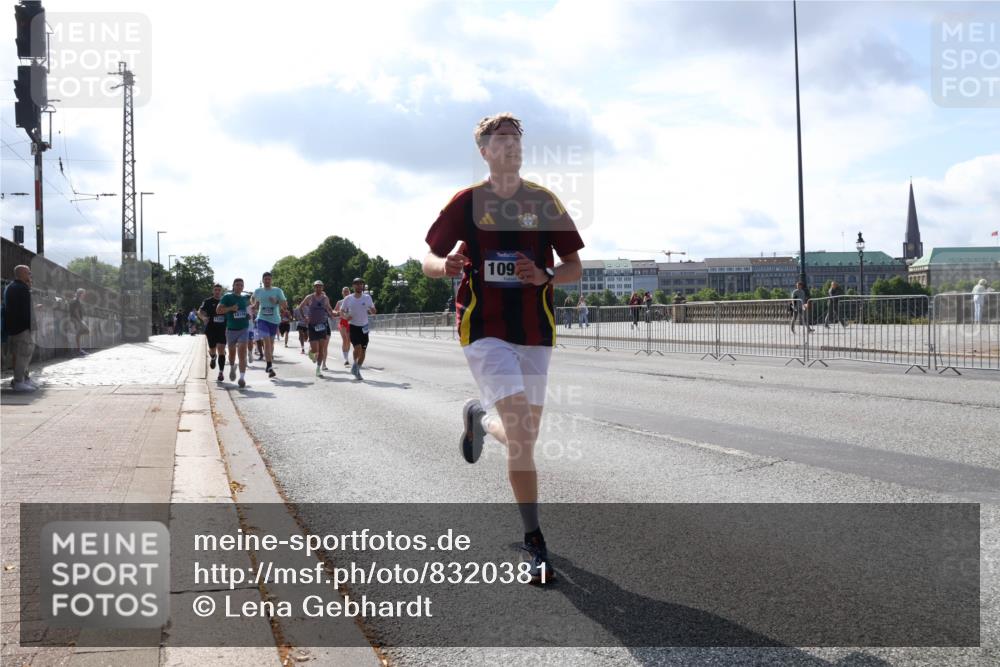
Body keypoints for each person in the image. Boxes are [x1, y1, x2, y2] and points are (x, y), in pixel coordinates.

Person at [422, 112, 584, 584]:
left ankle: (479, 418)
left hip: (536, 330)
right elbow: (429, 256)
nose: (511, 145)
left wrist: (547, 274)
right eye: (501, 139)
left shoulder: (544, 201)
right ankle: (535, 541)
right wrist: (445, 265)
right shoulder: (467, 202)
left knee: (522, 437)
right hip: (485, 327)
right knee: (521, 433)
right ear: (484, 151)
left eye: (516, 138)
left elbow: (574, 265)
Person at [3, 265, 37, 392]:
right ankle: (19, 381)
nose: (30, 275)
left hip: (13, 327)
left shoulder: (11, 287)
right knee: (23, 354)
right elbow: (25, 310)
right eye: (28, 273)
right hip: (22, 328)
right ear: (22, 274)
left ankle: (24, 379)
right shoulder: (21, 288)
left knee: (21, 355)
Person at [252, 271, 288, 379]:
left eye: (269, 279)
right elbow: (253, 299)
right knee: (266, 342)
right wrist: (255, 304)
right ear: (262, 280)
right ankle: (269, 366)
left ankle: (268, 363)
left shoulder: (277, 291)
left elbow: (285, 306)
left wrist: (276, 301)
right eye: (265, 279)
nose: (267, 281)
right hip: (262, 319)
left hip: (274, 320)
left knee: (271, 344)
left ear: (271, 280)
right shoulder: (258, 291)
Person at [217, 278, 251, 388]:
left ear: (243, 287)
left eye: (241, 285)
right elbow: (218, 310)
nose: (239, 287)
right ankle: (232, 367)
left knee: (242, 353)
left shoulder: (245, 299)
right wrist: (231, 308)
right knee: (232, 354)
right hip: (231, 330)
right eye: (237, 285)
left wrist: (249, 314)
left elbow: (250, 309)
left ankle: (242, 378)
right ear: (233, 286)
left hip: (243, 329)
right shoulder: (227, 297)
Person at [340, 278, 377, 380]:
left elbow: (373, 310)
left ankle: (357, 369)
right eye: (357, 284)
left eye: (361, 284)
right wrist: (345, 317)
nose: (359, 286)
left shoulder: (367, 297)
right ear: (353, 286)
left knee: (363, 351)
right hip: (353, 327)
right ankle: (355, 363)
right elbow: (341, 311)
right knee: (358, 348)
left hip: (364, 327)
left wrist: (373, 310)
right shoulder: (348, 298)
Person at [298, 281, 336, 377]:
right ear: (314, 288)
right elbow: (300, 307)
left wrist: (332, 314)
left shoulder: (325, 298)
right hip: (312, 326)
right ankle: (311, 354)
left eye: (320, 287)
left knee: (322, 349)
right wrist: (304, 317)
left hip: (322, 325)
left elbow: (329, 308)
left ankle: (318, 369)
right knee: (315, 350)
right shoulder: (309, 297)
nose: (318, 288)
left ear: (322, 287)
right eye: (316, 287)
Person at [199, 284, 227, 382]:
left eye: (219, 290)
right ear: (213, 291)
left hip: (222, 329)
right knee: (212, 349)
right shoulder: (207, 301)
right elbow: (200, 311)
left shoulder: (225, 301)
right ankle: (213, 357)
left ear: (221, 291)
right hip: (210, 329)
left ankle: (221, 373)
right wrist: (203, 318)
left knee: (221, 350)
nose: (217, 291)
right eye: (216, 290)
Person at [334, 287, 352, 367]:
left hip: (351, 322)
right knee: (345, 339)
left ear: (350, 292)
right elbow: (334, 311)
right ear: (342, 293)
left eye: (347, 291)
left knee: (349, 340)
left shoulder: (353, 301)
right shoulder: (340, 302)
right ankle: (346, 359)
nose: (346, 293)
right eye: (344, 291)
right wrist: (338, 312)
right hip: (342, 322)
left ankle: (347, 355)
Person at [68, 288, 90, 355]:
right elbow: (76, 311)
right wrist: (80, 321)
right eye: (83, 294)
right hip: (76, 319)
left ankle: (79, 349)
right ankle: (79, 350)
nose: (84, 295)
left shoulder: (76, 300)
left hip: (76, 319)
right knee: (84, 331)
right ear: (80, 294)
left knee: (84, 332)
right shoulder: (76, 301)